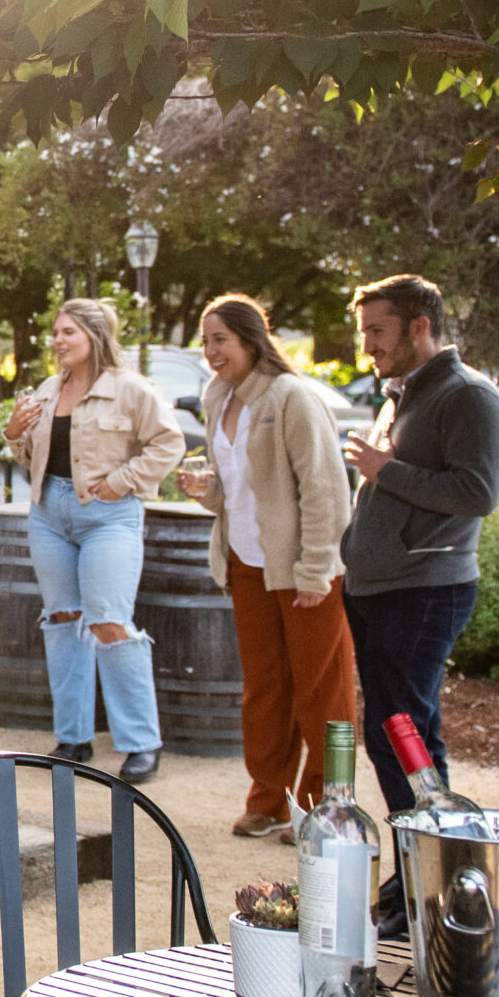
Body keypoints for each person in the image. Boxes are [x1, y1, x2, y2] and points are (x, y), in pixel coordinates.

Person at [340, 274, 499, 929]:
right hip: (380, 590)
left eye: (377, 331)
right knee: (392, 737)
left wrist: (386, 471)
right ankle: (418, 876)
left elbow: (477, 490)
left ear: (419, 327)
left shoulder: (469, 396)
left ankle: (432, 883)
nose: (368, 347)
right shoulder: (403, 395)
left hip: (425, 591)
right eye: (364, 334)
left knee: (409, 738)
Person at [174, 294, 357, 839]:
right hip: (246, 563)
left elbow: (326, 488)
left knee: (322, 693)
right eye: (205, 341)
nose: (210, 352)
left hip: (305, 570)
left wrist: (316, 568)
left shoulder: (291, 397)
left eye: (220, 340)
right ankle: (267, 801)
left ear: (252, 339)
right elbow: (242, 491)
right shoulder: (218, 398)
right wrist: (208, 493)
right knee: (264, 688)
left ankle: (327, 808)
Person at [2, 298, 184, 783]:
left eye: (69, 333)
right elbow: (29, 454)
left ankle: (142, 744)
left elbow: (170, 443)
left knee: (107, 622)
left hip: (108, 517)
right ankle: (73, 739)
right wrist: (14, 432)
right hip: (48, 514)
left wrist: (123, 480)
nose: (58, 341)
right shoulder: (47, 389)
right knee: (63, 620)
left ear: (95, 337)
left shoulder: (130, 389)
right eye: (56, 332)